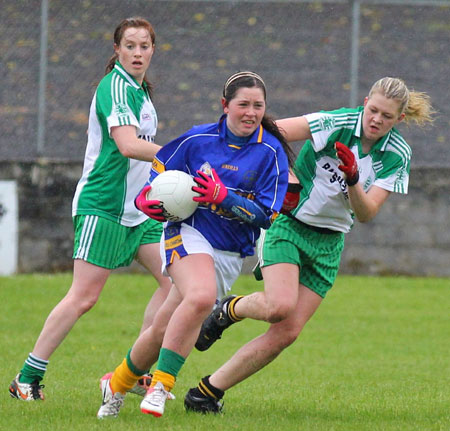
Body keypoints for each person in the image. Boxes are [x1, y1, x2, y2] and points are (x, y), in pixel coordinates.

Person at [186, 77, 435, 413]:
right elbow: (270, 130)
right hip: (289, 225)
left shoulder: (397, 154)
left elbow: (366, 213)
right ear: (365, 102)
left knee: (286, 333)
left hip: (330, 243)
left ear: (399, 120)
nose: (376, 119)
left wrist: (353, 180)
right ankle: (229, 310)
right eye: (373, 110)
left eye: (387, 116)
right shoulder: (336, 123)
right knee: (278, 306)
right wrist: (284, 175)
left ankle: (206, 393)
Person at [96, 71, 295, 419]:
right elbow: (160, 168)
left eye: (258, 106)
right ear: (225, 106)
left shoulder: (271, 153)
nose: (250, 112)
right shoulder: (198, 139)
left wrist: (225, 197)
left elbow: (266, 215)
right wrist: (147, 198)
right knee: (202, 298)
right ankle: (161, 386)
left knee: (163, 328)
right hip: (187, 232)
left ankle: (115, 386)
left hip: (231, 252)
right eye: (243, 105)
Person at [8, 17, 172, 402]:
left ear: (153, 50)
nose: (137, 52)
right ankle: (26, 379)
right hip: (105, 206)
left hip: (141, 210)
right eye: (129, 45)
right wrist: (178, 153)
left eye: (144, 46)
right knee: (84, 297)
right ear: (116, 50)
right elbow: (129, 145)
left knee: (177, 284)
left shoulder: (140, 89)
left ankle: (132, 373)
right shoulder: (114, 87)